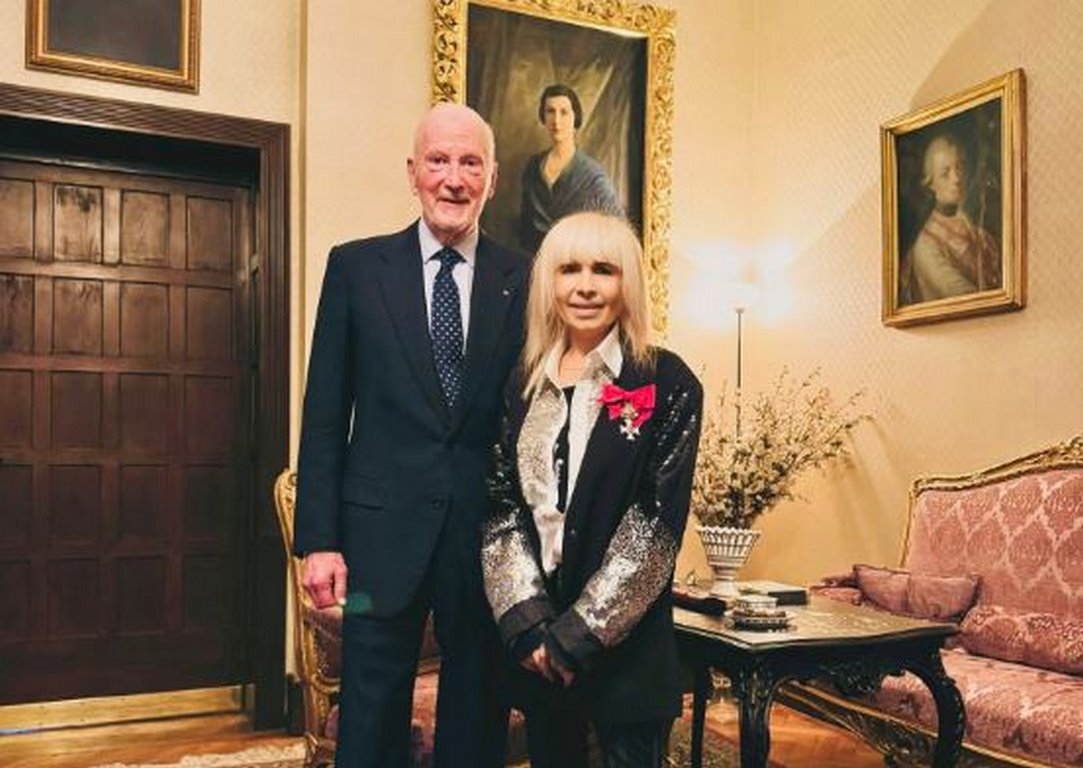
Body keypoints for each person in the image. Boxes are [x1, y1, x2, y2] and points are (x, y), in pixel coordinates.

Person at [294, 103, 529, 768]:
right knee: (370, 714)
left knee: (477, 710)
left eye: (470, 163)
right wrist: (320, 541)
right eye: (438, 161)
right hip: (375, 542)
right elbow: (324, 413)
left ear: (492, 179)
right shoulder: (355, 268)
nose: (453, 178)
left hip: (483, 538)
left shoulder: (525, 277)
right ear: (412, 172)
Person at [482, 211, 703, 767]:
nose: (585, 286)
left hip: (625, 662)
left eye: (604, 270)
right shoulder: (521, 381)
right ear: (548, 282)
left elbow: (653, 529)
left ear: (627, 283)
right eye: (569, 270)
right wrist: (531, 628)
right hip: (538, 656)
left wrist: (574, 638)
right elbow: (501, 508)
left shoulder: (668, 381)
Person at [519, 84, 624, 253]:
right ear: (543, 117)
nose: (556, 121)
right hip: (536, 261)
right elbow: (525, 228)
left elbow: (617, 232)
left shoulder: (592, 176)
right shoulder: (533, 168)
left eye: (564, 112)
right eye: (550, 111)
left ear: (575, 118)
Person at [900, 134, 1001, 305]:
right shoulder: (926, 245)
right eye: (945, 173)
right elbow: (964, 297)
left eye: (960, 167)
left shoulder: (978, 232)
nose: (957, 179)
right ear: (931, 183)